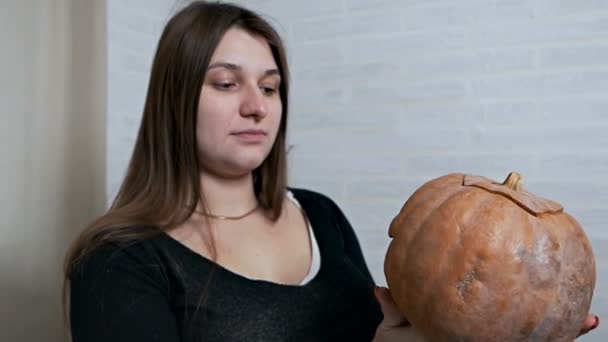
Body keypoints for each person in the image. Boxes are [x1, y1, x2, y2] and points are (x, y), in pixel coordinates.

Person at [63, 2, 599, 341]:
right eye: (227, 83)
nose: (258, 106)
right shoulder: (119, 259)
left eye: (270, 87)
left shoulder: (319, 213)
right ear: (172, 100)